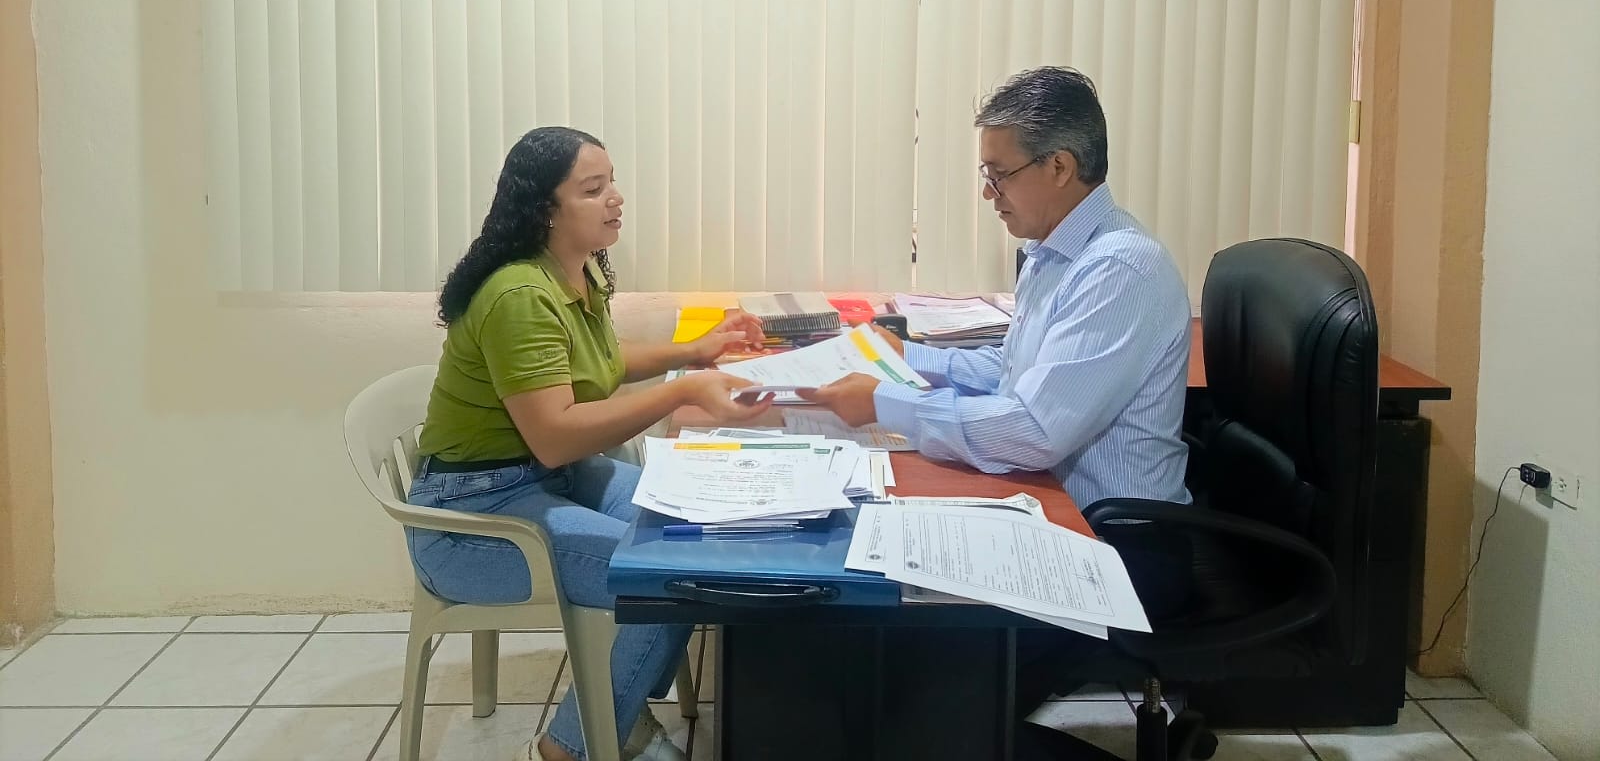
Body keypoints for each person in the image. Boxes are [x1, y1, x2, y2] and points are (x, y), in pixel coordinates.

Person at [801, 67, 1194, 735]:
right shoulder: (1054, 253)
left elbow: (1035, 428)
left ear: (1060, 167)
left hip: (1117, 544)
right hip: (1055, 514)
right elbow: (1012, 372)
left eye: (999, 174)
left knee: (929, 703)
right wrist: (902, 358)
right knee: (890, 642)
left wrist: (884, 405)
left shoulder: (1119, 269)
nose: (988, 193)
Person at [407, 126, 774, 761]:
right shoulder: (520, 296)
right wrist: (682, 393)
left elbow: (598, 362)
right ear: (546, 209)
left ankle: (619, 712)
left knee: (701, 528)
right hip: (474, 518)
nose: (615, 199)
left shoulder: (573, 274)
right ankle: (571, 746)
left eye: (613, 184)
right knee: (672, 574)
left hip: (544, 480)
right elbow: (554, 437)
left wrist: (694, 351)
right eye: (593, 189)